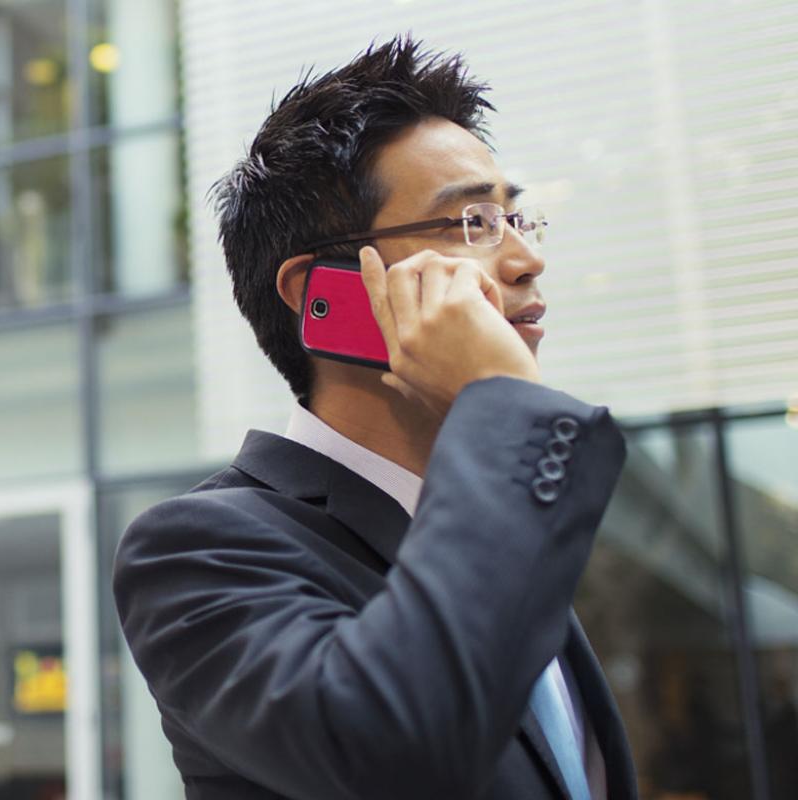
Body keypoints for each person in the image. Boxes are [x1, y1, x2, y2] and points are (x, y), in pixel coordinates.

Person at [113, 35, 637, 799]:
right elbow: (394, 750)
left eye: (517, 220)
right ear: (327, 292)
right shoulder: (198, 551)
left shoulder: (496, 524)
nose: (526, 259)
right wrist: (504, 406)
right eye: (472, 223)